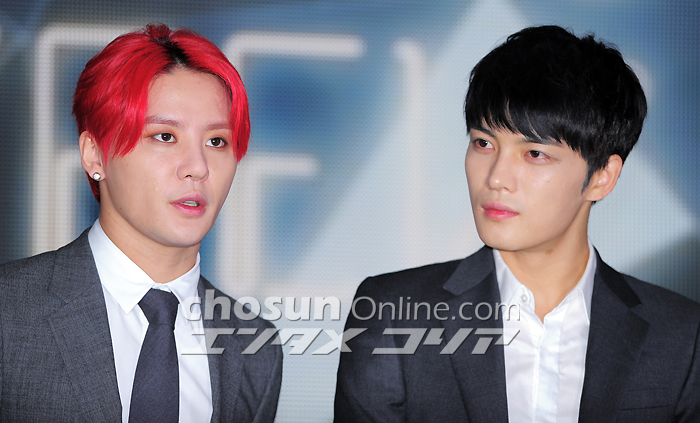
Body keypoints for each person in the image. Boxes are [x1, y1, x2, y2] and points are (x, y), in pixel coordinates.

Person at [334, 25, 700, 423]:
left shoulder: (681, 334)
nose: (496, 178)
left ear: (602, 177)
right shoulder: (392, 312)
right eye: (483, 143)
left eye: (534, 154)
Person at [0, 24, 281, 422]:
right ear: (95, 154)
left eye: (217, 141)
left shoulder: (255, 347)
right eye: (165, 136)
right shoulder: (9, 311)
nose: (198, 167)